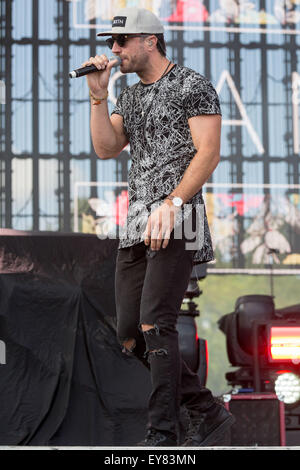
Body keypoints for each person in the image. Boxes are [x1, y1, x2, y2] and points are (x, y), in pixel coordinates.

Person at [82, 6, 234, 446]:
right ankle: (205, 410)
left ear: (150, 40)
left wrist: (173, 202)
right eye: (111, 43)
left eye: (121, 41)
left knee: (155, 324)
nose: (114, 50)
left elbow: (208, 152)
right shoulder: (129, 96)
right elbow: (107, 148)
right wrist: (98, 96)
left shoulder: (191, 85)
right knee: (129, 334)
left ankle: (164, 432)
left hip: (179, 219)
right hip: (137, 225)